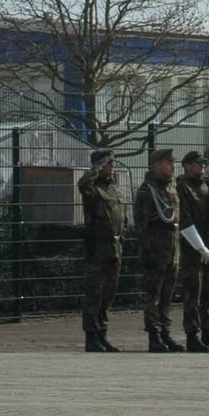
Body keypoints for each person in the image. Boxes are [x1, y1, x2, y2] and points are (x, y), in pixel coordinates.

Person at [132, 149, 184, 351]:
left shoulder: (170, 189)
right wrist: (147, 252)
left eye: (172, 162)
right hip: (156, 249)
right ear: (156, 164)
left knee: (167, 296)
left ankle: (165, 333)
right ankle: (154, 335)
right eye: (167, 162)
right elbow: (142, 226)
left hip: (172, 250)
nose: (171, 166)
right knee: (153, 296)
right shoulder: (147, 191)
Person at [76, 144, 127, 352]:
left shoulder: (112, 188)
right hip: (98, 248)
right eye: (109, 164)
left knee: (108, 293)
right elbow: (83, 184)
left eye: (112, 164)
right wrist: (96, 168)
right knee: (94, 294)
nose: (112, 167)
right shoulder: (92, 188)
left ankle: (102, 334)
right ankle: (91, 336)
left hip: (114, 247)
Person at [173, 149, 209, 350]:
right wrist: (199, 246)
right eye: (198, 164)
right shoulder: (182, 187)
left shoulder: (207, 184)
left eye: (203, 164)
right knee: (193, 291)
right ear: (187, 166)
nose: (202, 167)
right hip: (192, 243)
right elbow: (185, 219)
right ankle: (192, 335)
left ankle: (208, 331)